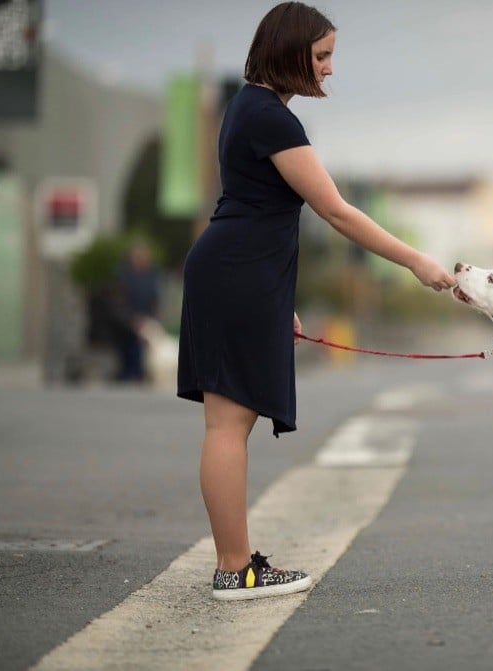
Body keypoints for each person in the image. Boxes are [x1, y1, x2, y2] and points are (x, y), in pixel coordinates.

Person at [177, 1, 455, 601]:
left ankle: (233, 566)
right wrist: (416, 261)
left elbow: (257, 208)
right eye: (322, 56)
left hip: (235, 272)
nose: (329, 68)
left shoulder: (249, 107)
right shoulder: (271, 118)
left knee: (226, 423)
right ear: (290, 52)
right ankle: (234, 569)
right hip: (237, 272)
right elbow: (335, 210)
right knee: (228, 424)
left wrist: (276, 299)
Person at [115, 240, 161, 383]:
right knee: (130, 345)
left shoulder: (151, 277)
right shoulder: (123, 277)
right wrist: (132, 318)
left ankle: (142, 373)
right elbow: (120, 302)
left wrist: (151, 317)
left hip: (146, 319)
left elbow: (155, 299)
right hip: (128, 321)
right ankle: (129, 372)